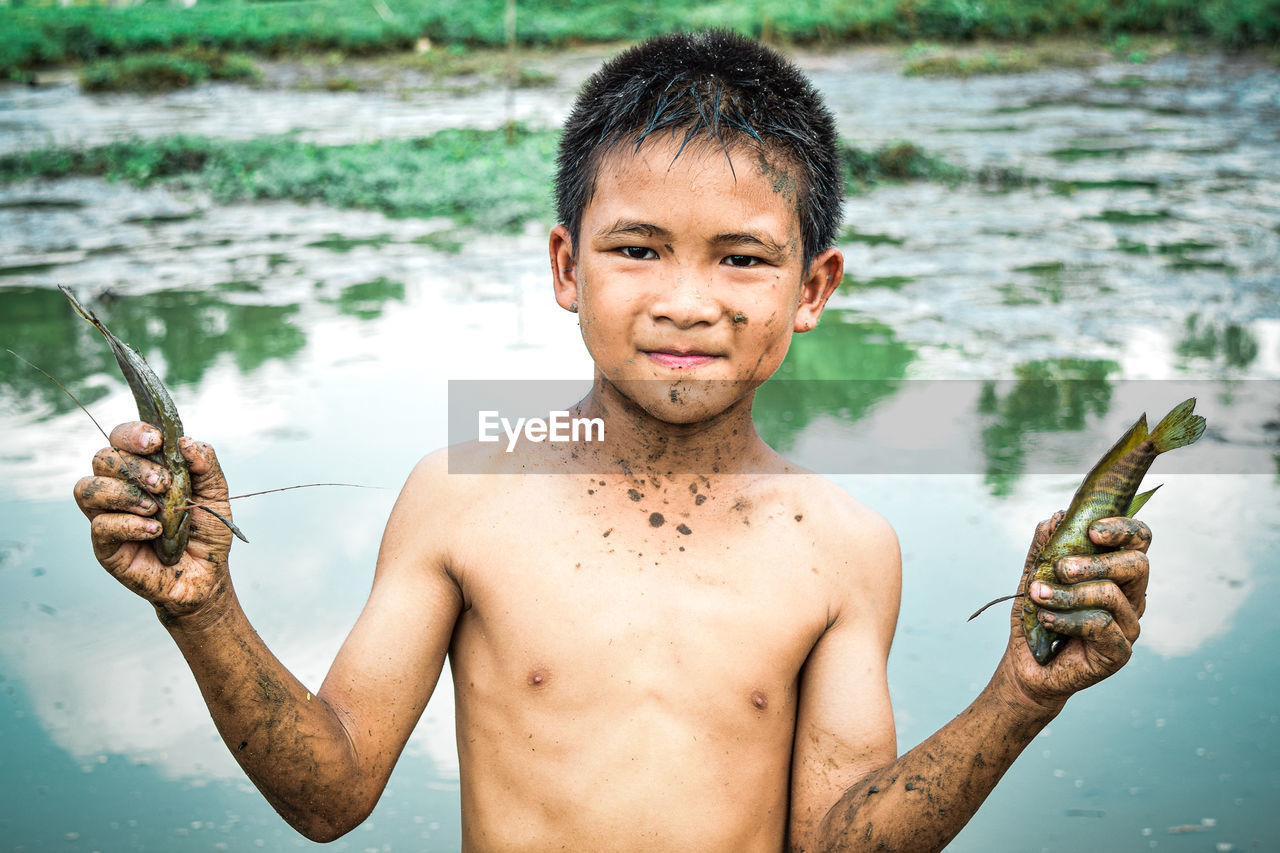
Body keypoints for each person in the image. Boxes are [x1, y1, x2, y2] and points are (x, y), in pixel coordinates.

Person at [73, 31, 1151, 852]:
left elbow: (838, 839)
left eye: (741, 259)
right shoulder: (463, 491)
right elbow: (332, 789)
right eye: (637, 247)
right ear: (564, 268)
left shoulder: (841, 543)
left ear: (812, 288)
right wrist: (203, 607)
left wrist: (1019, 694)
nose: (686, 301)